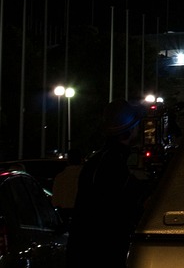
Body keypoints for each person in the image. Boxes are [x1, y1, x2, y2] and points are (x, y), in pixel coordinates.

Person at [68, 98, 153, 267]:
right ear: (128, 131)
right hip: (105, 250)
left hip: (88, 249)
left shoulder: (98, 161)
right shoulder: (114, 163)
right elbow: (120, 206)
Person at [50, 146, 84, 222]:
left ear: (68, 160)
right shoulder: (87, 175)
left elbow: (55, 201)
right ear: (81, 159)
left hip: (65, 213)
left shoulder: (60, 177)